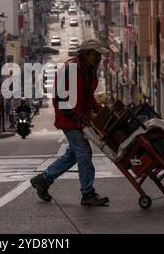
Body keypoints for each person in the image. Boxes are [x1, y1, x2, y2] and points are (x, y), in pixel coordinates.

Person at [30, 39, 111, 206]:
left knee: (72, 155)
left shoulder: (89, 71)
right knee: (84, 153)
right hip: (70, 120)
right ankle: (87, 193)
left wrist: (100, 110)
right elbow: (60, 100)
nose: (99, 58)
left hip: (80, 118)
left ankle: (43, 180)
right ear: (86, 54)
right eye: (96, 55)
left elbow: (87, 99)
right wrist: (77, 119)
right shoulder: (70, 71)